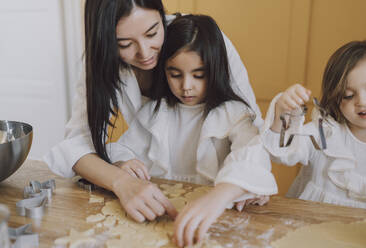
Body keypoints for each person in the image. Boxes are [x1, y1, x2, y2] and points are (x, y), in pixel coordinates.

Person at [44, 0, 263, 230]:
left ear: (161, 15)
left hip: (217, 200)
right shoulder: (101, 62)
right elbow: (78, 144)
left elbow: (252, 134)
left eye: (152, 33)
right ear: (107, 41)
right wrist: (121, 181)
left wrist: (242, 184)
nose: (145, 53)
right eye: (125, 44)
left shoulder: (202, 41)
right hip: (158, 192)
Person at [110, 14, 277, 247]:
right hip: (163, 216)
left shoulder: (234, 114)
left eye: (199, 75)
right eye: (175, 74)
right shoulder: (155, 112)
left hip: (215, 221)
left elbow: (253, 153)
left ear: (216, 69)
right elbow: (120, 147)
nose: (186, 86)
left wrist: (235, 189)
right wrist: (122, 162)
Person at [261, 40, 366, 210]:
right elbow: (280, 151)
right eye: (348, 95)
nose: (362, 102)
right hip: (309, 228)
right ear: (335, 98)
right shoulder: (324, 133)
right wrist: (283, 112)